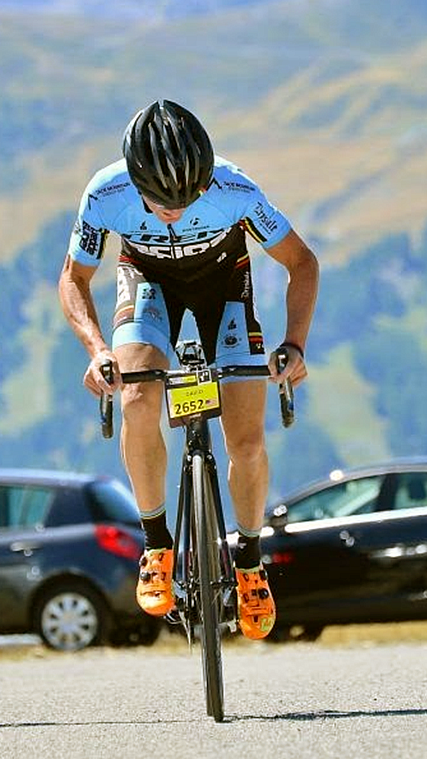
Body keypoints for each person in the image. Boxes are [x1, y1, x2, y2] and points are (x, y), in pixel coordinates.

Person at [58, 99, 318, 640]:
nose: (174, 210)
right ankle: (157, 545)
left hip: (225, 290)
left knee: (246, 439)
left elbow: (301, 262)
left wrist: (294, 344)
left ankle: (248, 561)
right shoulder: (105, 193)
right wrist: (96, 351)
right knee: (136, 398)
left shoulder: (236, 188)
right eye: (158, 201)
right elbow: (73, 279)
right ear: (134, 181)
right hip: (147, 287)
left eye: (189, 196)